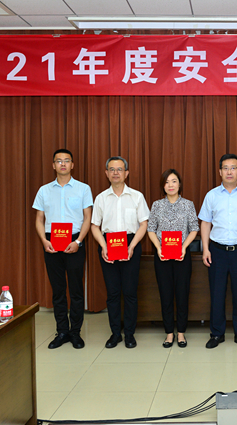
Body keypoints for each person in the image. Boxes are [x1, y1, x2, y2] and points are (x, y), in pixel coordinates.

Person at [198, 154, 237, 350]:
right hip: (217, 251)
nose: (229, 171)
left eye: (233, 168)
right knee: (217, 294)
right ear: (220, 171)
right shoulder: (211, 195)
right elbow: (205, 223)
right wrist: (205, 248)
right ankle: (217, 333)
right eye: (225, 168)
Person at [33, 149, 93, 350]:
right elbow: (39, 219)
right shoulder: (44, 190)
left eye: (67, 160)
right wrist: (44, 240)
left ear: (72, 165)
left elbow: (88, 218)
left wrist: (79, 241)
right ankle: (62, 331)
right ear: (53, 165)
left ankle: (75, 332)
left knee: (76, 290)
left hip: (75, 241)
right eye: (59, 161)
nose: (63, 164)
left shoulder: (83, 189)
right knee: (58, 290)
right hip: (51, 243)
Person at [91, 156, 149, 349]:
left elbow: (143, 224)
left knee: (130, 292)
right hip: (108, 245)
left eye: (119, 169)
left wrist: (132, 246)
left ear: (126, 173)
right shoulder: (101, 198)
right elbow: (94, 226)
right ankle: (115, 333)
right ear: (106, 173)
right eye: (112, 169)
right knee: (113, 293)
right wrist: (104, 246)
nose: (116, 173)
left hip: (131, 243)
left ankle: (130, 334)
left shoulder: (137, 196)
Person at [147, 169, 199, 348]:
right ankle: (169, 333)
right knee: (166, 294)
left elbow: (194, 228)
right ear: (163, 186)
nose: (170, 185)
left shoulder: (188, 205)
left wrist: (184, 247)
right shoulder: (156, 205)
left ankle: (181, 332)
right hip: (162, 257)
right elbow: (151, 229)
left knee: (182, 294)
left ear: (179, 184)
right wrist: (159, 248)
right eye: (167, 182)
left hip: (182, 256)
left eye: (174, 181)